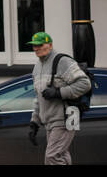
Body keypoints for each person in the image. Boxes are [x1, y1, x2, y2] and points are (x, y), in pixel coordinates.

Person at [27, 31, 91, 165]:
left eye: (40, 45)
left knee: (52, 157)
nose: (36, 48)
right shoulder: (37, 67)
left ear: (50, 45)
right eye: (34, 46)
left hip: (67, 117)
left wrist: (58, 92)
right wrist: (34, 123)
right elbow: (38, 97)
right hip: (50, 120)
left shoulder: (62, 61)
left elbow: (85, 84)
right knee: (61, 155)